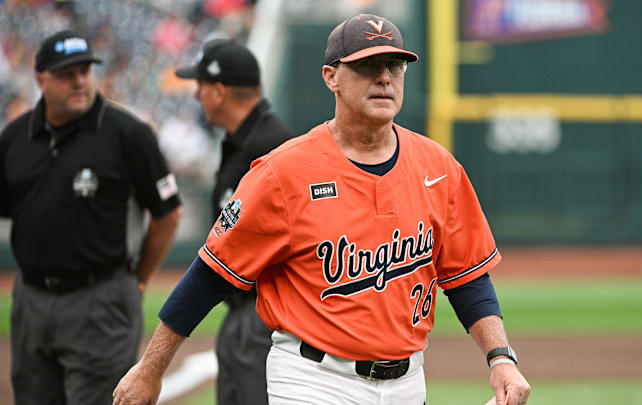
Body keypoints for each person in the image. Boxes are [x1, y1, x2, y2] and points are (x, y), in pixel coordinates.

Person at [113, 13, 531, 405]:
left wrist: (500, 358)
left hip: (408, 381)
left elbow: (467, 277)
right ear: (331, 76)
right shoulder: (283, 172)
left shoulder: (438, 167)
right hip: (312, 378)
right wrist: (151, 369)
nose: (385, 77)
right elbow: (210, 274)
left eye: (395, 65)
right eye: (368, 66)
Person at [0, 30, 182, 405]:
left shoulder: (127, 133)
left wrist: (138, 281)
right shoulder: (16, 138)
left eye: (85, 71)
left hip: (100, 298)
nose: (79, 81)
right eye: (67, 74)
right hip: (31, 297)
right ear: (40, 80)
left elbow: (168, 215)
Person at [174, 38, 296, 405]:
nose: (196, 95)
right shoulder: (244, 141)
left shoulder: (273, 146)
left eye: (200, 86)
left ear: (219, 91)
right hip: (243, 313)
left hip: (265, 317)